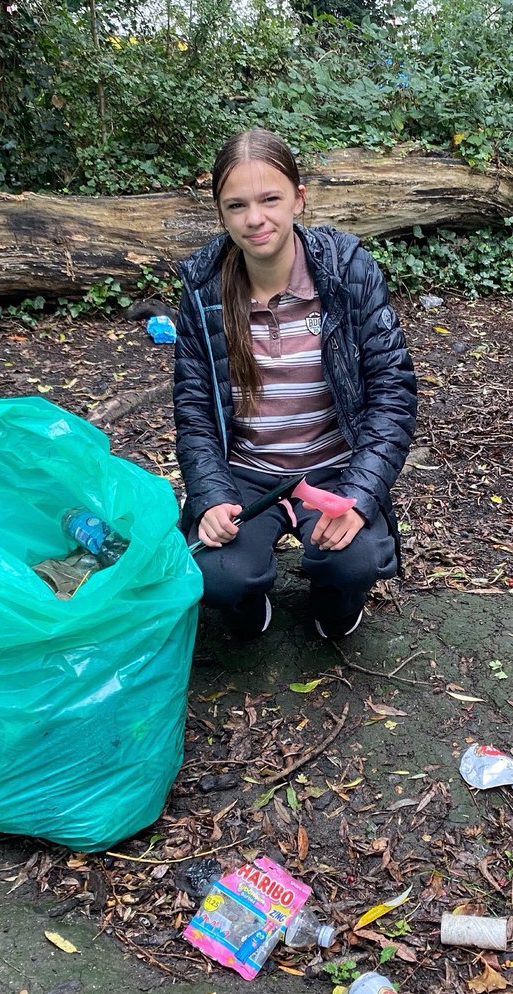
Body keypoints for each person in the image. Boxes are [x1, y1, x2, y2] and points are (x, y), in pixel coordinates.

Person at [172, 128, 417, 639]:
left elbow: (393, 392)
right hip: (246, 473)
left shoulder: (347, 271)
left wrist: (360, 494)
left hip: (330, 469)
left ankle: (336, 605)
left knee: (353, 560)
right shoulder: (202, 288)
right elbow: (194, 407)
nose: (254, 219)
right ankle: (247, 606)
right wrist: (210, 496)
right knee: (215, 574)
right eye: (236, 205)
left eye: (270, 199)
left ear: (298, 199)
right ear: (220, 211)